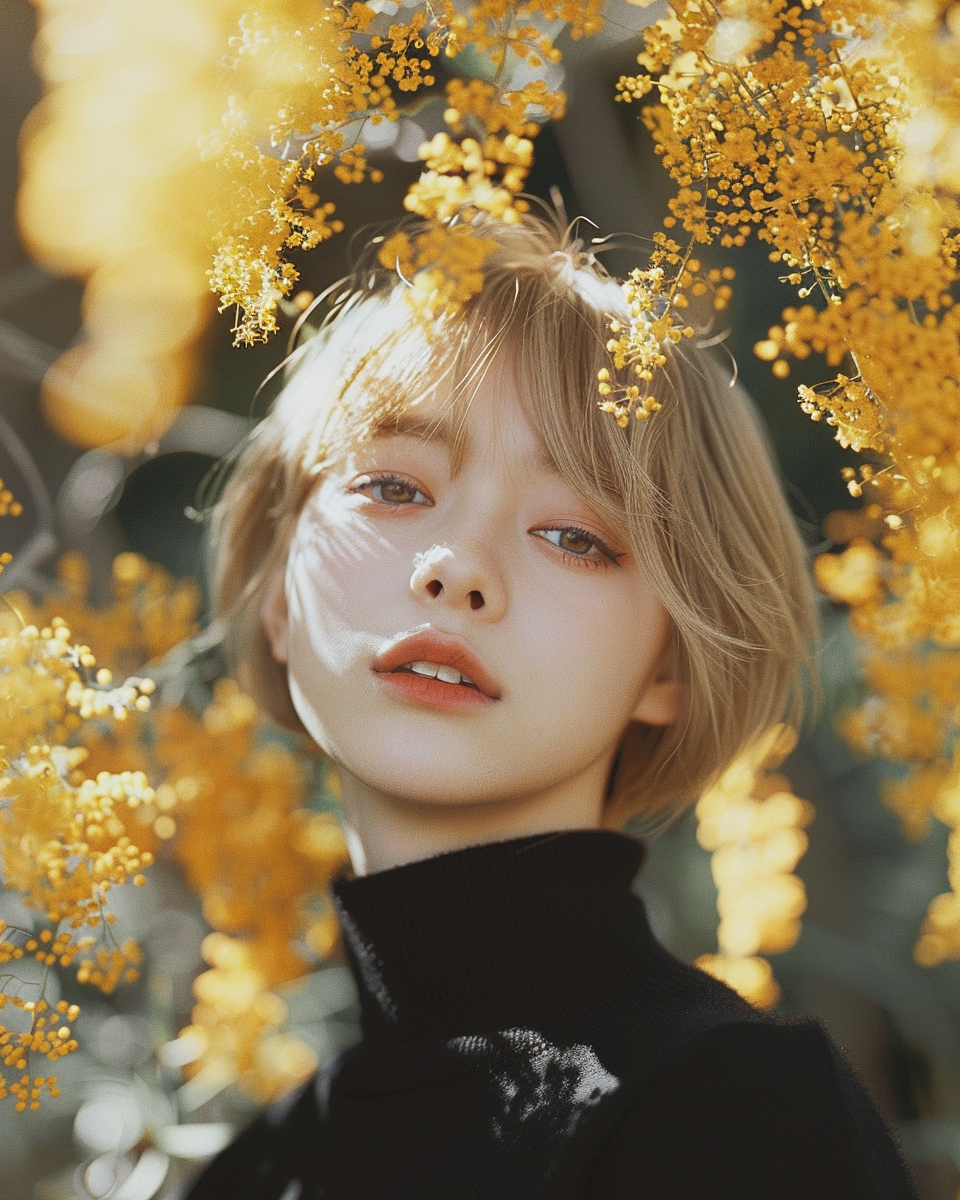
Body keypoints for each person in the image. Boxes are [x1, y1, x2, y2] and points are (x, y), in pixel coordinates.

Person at [185, 212, 918, 1198]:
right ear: (278, 592)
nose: (456, 568)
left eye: (575, 536)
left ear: (672, 662)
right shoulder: (251, 1176)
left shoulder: (738, 1114)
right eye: (395, 486)